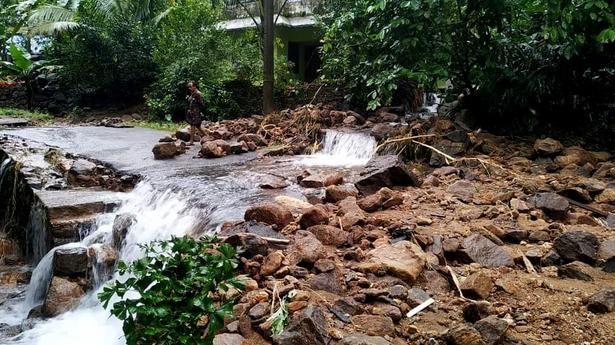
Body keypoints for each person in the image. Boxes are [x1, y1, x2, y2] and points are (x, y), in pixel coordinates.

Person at [186, 81, 205, 146]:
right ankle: (208, 136)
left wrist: (200, 111)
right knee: (198, 126)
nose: (189, 88)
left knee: (193, 125)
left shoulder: (198, 93)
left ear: (194, 86)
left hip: (196, 112)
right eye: (189, 87)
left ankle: (191, 141)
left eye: (190, 87)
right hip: (192, 112)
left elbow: (202, 104)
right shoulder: (193, 93)